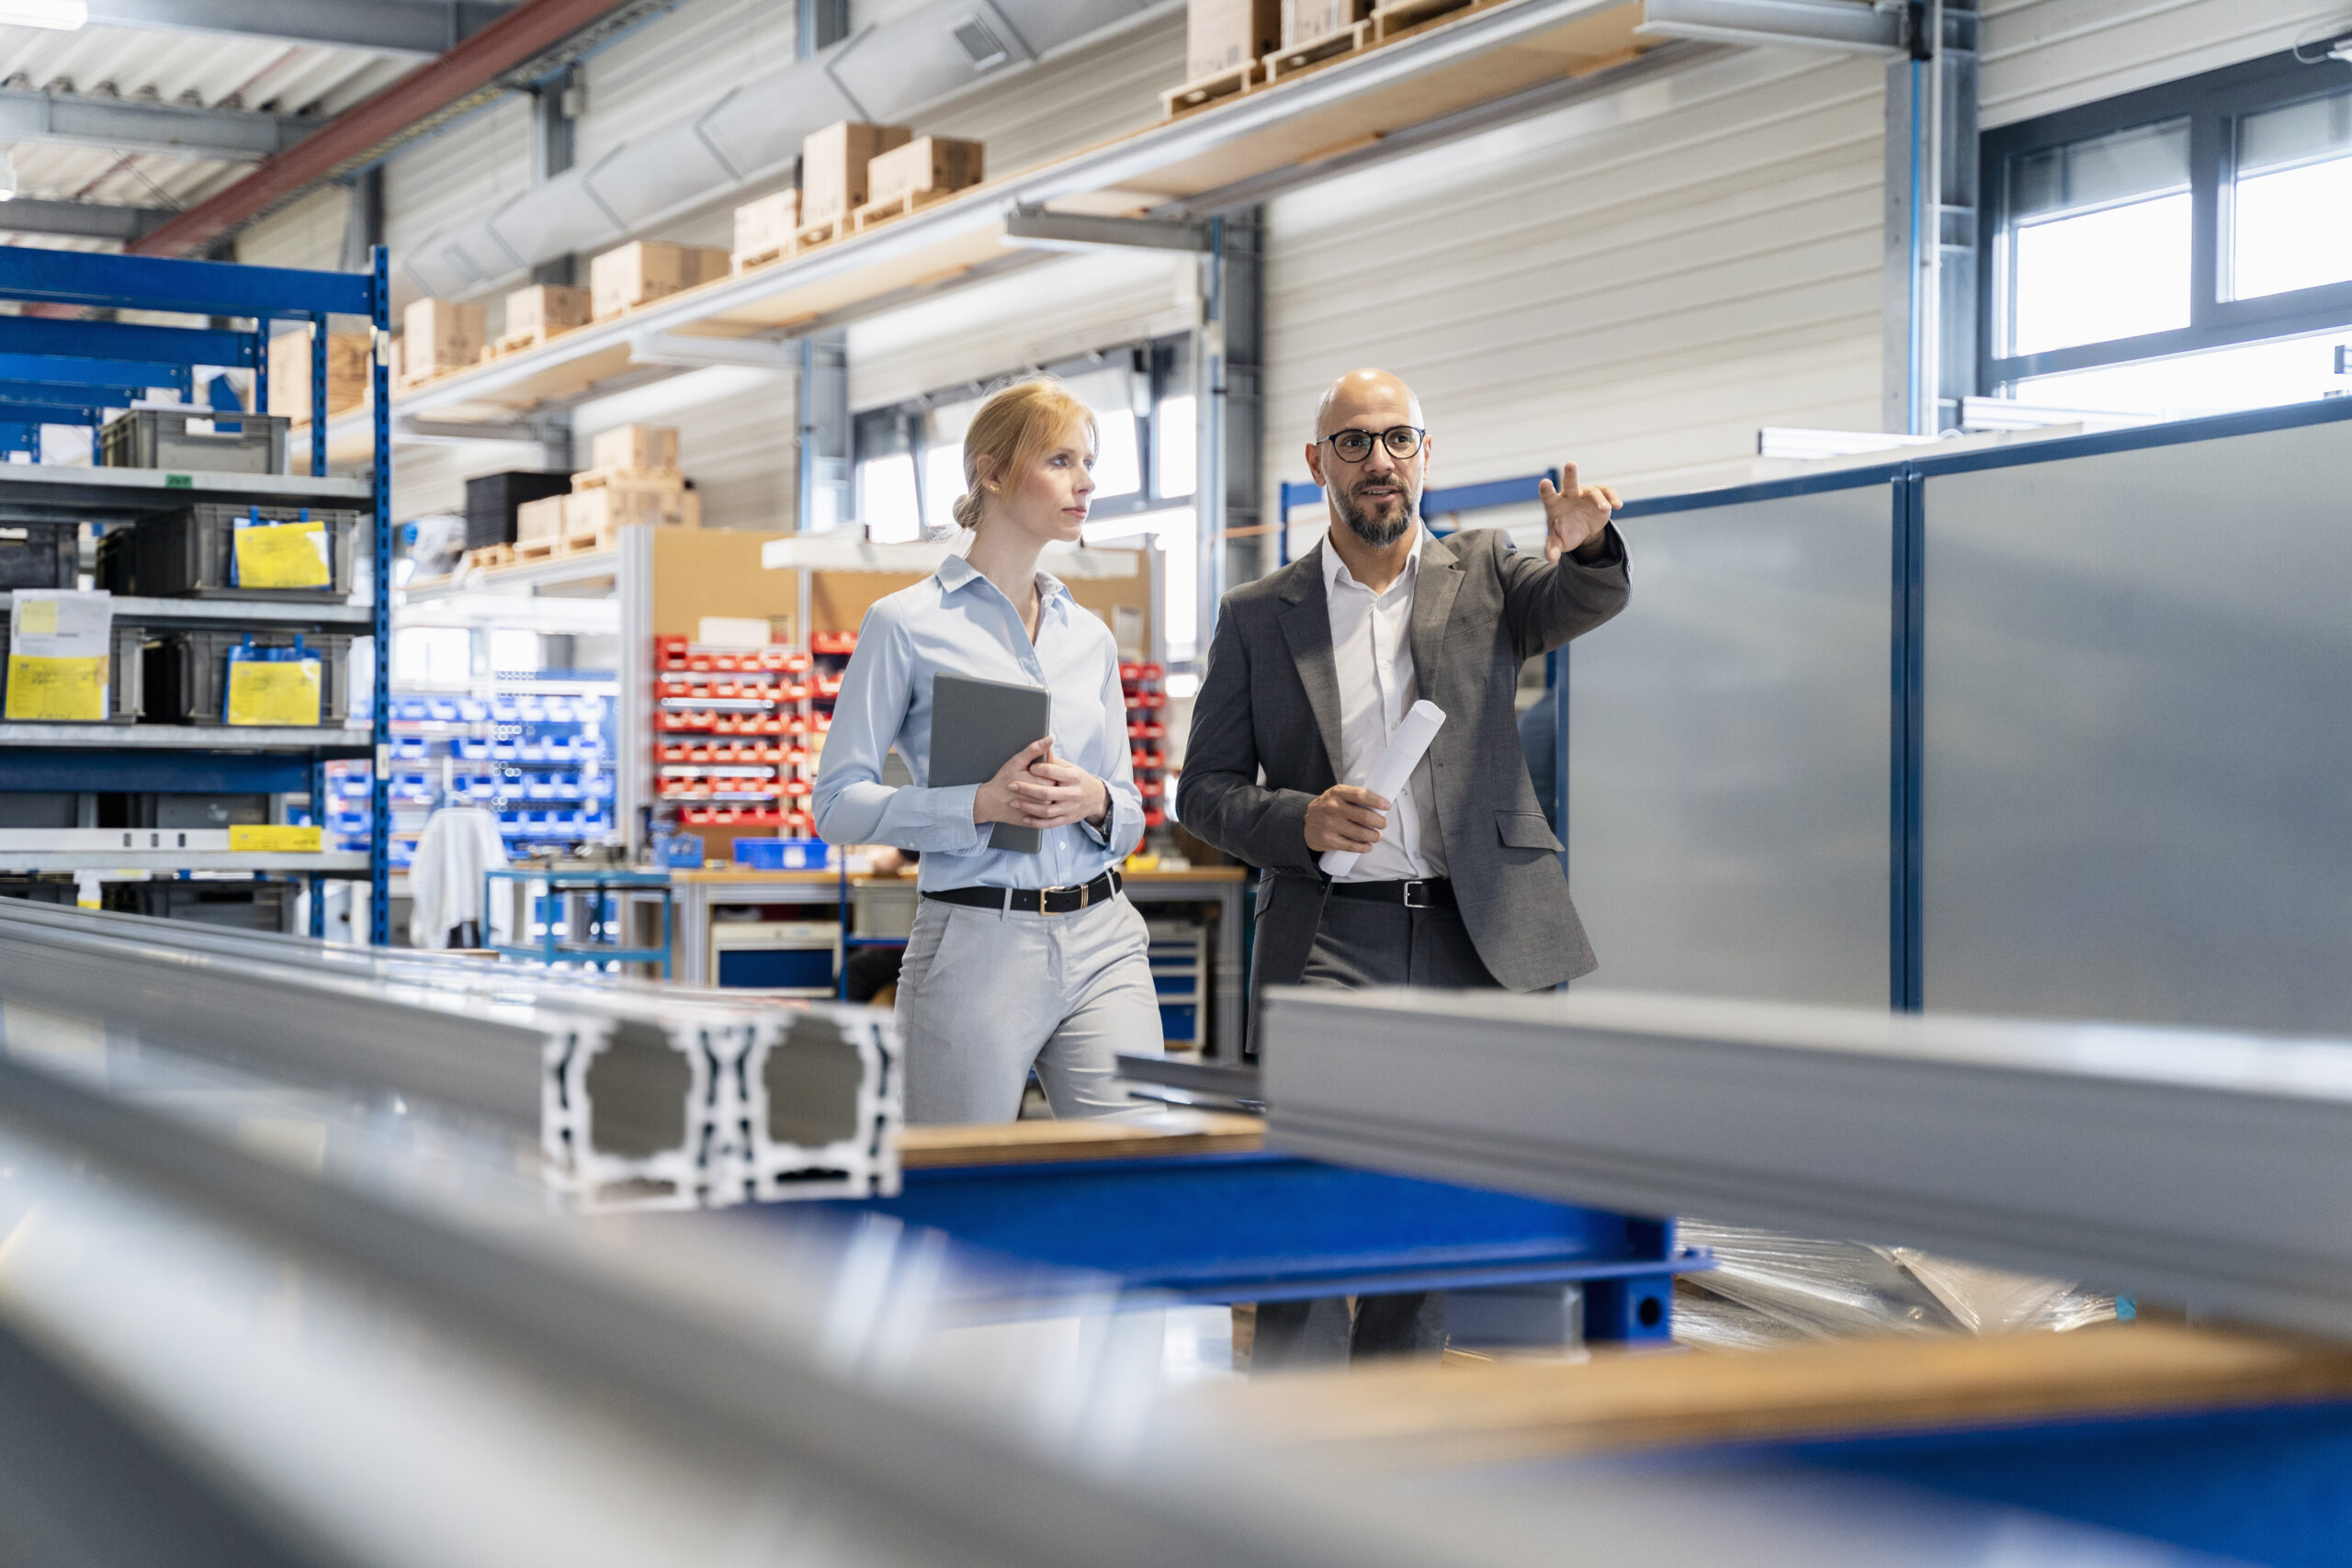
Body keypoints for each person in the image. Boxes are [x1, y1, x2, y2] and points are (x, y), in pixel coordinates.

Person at [1176, 368, 1631, 1363]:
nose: (1377, 460)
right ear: (1316, 465)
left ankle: (1395, 1427)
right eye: (1353, 443)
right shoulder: (1260, 614)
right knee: (1313, 1187)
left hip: (1472, 933)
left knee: (1426, 1202)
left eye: (1397, 439)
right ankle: (1291, 1432)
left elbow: (1581, 596)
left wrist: (1586, 542)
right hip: (1334, 932)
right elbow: (1201, 791)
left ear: (1427, 454)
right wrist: (1301, 817)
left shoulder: (1489, 574)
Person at [813, 378, 1159, 1124]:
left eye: (1089, 461)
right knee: (954, 1187)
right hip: (977, 938)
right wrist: (979, 804)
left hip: (1104, 935)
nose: (1087, 480)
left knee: (1138, 1175)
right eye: (1062, 459)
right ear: (992, 471)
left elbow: (1130, 811)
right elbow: (836, 804)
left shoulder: (1089, 636)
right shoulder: (903, 624)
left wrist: (1095, 800)